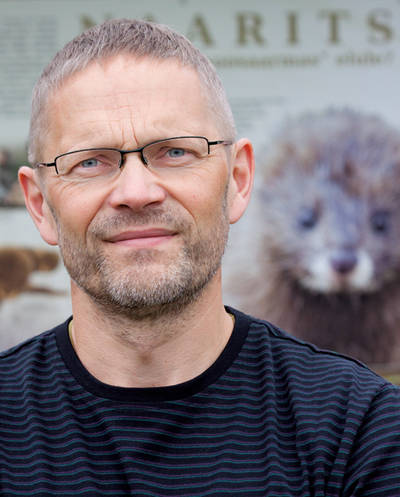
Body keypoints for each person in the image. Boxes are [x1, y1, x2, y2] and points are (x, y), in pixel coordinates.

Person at [1, 18, 399, 496]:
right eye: (90, 161)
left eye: (174, 152)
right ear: (40, 205)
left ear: (238, 181)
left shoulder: (363, 430)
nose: (136, 192)